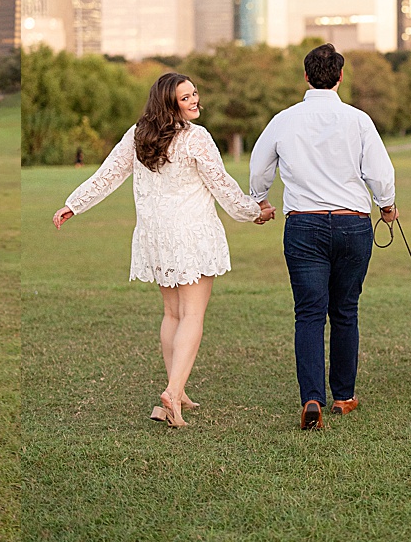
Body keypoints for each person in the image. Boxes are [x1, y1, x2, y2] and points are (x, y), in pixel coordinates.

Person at [52, 73, 275, 427]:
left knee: (172, 314)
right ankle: (172, 393)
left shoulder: (140, 133)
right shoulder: (196, 138)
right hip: (190, 235)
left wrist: (73, 204)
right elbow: (223, 187)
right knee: (192, 315)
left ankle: (179, 389)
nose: (194, 101)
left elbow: (107, 175)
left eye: (195, 94)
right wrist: (255, 212)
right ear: (169, 103)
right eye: (185, 97)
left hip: (156, 236)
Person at [249, 43, 398, 430]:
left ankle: (312, 397)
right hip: (351, 224)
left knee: (309, 314)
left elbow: (259, 166)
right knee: (345, 311)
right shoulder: (358, 120)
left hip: (304, 225)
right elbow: (380, 172)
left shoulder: (284, 119)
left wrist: (260, 200)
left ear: (305, 76)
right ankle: (344, 397)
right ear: (340, 76)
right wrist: (387, 205)